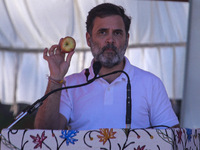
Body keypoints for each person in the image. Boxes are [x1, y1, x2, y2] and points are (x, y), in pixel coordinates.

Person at [34, 3, 180, 130]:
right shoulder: (70, 85)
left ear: (127, 39)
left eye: (117, 33)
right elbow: (45, 133)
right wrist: (56, 78)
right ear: (89, 39)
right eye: (102, 32)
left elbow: (171, 138)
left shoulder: (151, 84)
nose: (110, 40)